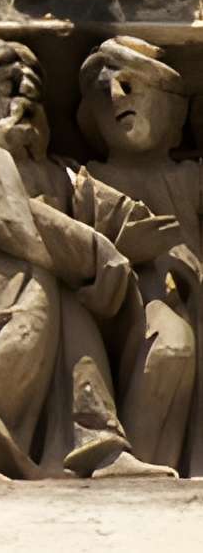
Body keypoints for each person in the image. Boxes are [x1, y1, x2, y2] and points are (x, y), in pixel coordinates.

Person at [0, 36, 172, 478]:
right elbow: (13, 222)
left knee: (83, 347)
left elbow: (98, 203)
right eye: (11, 95)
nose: (25, 107)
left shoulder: (58, 169)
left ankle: (98, 447)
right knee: (16, 348)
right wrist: (92, 250)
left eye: (34, 99)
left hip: (65, 289)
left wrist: (133, 228)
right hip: (14, 291)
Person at [71, 36, 203, 472]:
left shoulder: (189, 177)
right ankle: (138, 470)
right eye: (100, 92)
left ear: (173, 106)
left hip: (195, 298)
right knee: (170, 348)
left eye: (130, 85)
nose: (114, 97)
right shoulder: (91, 180)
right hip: (134, 302)